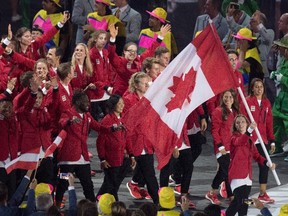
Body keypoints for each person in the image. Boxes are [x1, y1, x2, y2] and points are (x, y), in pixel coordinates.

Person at [55, 90, 114, 207]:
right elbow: (61, 122)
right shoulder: (67, 113)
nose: (88, 103)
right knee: (62, 184)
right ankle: (55, 209)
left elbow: (99, 127)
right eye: (85, 101)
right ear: (77, 102)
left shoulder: (87, 116)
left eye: (88, 101)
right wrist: (70, 121)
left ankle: (92, 209)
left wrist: (113, 128)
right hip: (68, 159)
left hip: (83, 158)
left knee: (88, 185)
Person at [225, 114, 275, 216]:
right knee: (239, 201)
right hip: (237, 175)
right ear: (234, 125)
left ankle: (252, 205)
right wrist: (250, 130)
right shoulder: (234, 138)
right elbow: (240, 141)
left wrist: (267, 163)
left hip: (248, 177)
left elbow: (256, 155)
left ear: (247, 123)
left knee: (244, 203)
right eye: (237, 122)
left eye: (243, 122)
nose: (240, 124)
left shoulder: (250, 140)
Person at [124, 72, 159, 204]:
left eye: (148, 83)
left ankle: (157, 201)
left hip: (146, 141)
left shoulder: (149, 99)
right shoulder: (128, 99)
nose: (148, 86)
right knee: (116, 175)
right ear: (137, 85)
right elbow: (129, 121)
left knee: (149, 172)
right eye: (145, 84)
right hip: (133, 141)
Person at [108, 23, 170, 96]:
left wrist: (160, 37)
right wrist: (112, 40)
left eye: (134, 51)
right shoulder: (119, 62)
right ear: (124, 52)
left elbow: (151, 50)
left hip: (134, 96)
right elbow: (111, 54)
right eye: (130, 51)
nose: (133, 53)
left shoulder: (139, 60)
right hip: (120, 96)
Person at [240, 78, 275, 203]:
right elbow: (241, 120)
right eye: (257, 87)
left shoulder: (266, 103)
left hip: (262, 139)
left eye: (261, 86)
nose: (259, 89)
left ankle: (262, 193)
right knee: (245, 166)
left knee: (264, 164)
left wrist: (272, 140)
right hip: (250, 138)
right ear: (252, 88)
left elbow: (269, 123)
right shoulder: (247, 102)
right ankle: (241, 194)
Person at [96, 94, 135, 201]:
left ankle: (98, 201)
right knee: (112, 185)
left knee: (111, 184)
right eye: (119, 104)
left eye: (122, 103)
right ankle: (113, 205)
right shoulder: (107, 120)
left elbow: (126, 138)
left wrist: (131, 155)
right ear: (113, 105)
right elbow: (100, 141)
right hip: (111, 159)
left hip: (121, 158)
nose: (122, 106)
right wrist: (102, 159)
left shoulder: (121, 119)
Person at [206, 89, 239, 205]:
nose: (228, 99)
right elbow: (215, 131)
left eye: (230, 97)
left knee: (225, 172)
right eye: (226, 96)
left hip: (232, 147)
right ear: (222, 98)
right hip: (222, 148)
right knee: (226, 171)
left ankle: (230, 195)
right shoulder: (217, 111)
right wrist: (220, 147)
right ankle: (212, 193)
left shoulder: (235, 112)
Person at [270, 37, 288, 160]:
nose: (280, 49)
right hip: (281, 99)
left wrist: (284, 79)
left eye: (283, 48)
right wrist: (275, 75)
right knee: (276, 121)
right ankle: (275, 147)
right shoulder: (284, 62)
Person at [233, 27, 263, 91]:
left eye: (239, 40)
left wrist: (241, 51)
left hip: (254, 84)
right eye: (236, 39)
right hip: (246, 81)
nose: (236, 41)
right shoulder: (240, 49)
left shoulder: (253, 53)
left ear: (246, 42)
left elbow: (239, 65)